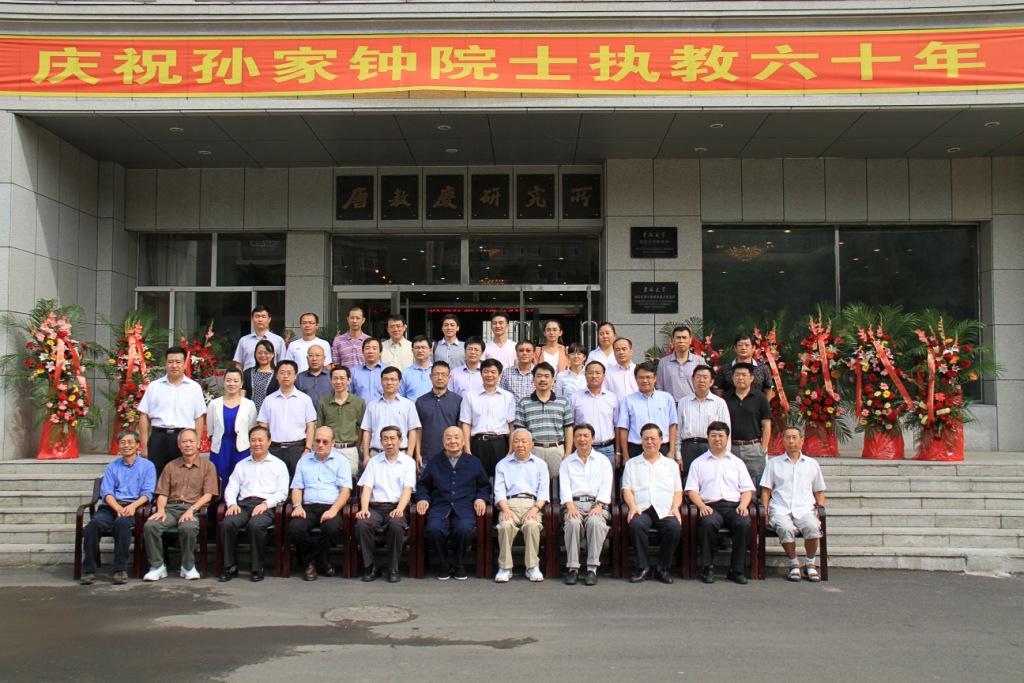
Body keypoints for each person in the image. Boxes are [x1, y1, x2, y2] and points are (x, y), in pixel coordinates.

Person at [79, 430, 156, 586]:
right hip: (110, 507)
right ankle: (88, 570)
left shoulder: (148, 466)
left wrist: (133, 506)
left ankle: (120, 569)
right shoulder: (112, 467)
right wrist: (117, 508)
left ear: (138, 445)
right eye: (122, 442)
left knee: (121, 524)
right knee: (93, 525)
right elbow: (106, 492)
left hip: (134, 507)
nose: (126, 445)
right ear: (119, 446)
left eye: (130, 442)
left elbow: (148, 493)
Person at [142, 428, 218, 582]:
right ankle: (157, 566)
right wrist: (161, 510)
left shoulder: (208, 466)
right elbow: (162, 492)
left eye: (191, 441)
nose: (188, 445)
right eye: (184, 442)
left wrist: (191, 510)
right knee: (151, 526)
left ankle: (188, 566)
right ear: (179, 445)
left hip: (193, 509)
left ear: (198, 444)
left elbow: (208, 494)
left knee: (188, 527)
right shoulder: (170, 466)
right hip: (170, 508)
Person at [685, 421, 756, 585]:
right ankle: (707, 567)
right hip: (710, 506)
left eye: (721, 436)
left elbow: (747, 489)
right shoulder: (698, 463)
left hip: (734, 506)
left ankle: (736, 570)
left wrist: (743, 505)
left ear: (727, 438)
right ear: (708, 438)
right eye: (713, 436)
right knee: (708, 523)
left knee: (744, 523)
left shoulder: (737, 462)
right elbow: (691, 490)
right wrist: (702, 506)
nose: (717, 439)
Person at [415, 426, 489, 580]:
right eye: (448, 438)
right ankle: (443, 564)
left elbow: (484, 486)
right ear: (443, 442)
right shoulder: (435, 462)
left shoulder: (473, 462)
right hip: (440, 507)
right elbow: (423, 485)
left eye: (456, 437)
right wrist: (423, 498)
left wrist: (481, 498)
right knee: (434, 529)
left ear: (463, 441)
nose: (452, 441)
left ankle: (458, 563)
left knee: (464, 529)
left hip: (464, 507)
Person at [218, 425, 290, 582]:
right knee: (227, 524)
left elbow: (282, 493)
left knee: (255, 526)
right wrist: (232, 504)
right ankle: (230, 566)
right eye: (253, 440)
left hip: (266, 506)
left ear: (269, 442)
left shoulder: (278, 465)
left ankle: (257, 567)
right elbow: (231, 488)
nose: (257, 444)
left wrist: (266, 504)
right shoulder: (242, 465)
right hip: (243, 505)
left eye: (260, 440)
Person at [760, 427, 827, 582]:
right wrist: (765, 511)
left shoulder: (812, 464)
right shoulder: (773, 463)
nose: (791, 441)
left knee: (812, 526)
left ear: (802, 440)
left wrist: (820, 509)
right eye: (788, 437)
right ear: (782, 441)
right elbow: (766, 490)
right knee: (785, 528)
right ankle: (793, 563)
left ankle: (810, 563)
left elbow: (819, 491)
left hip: (805, 508)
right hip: (780, 508)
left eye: (794, 437)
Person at [288, 426, 353, 581]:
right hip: (308, 507)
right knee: (295, 528)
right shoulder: (304, 461)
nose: (320, 445)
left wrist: (334, 510)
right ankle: (322, 561)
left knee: (331, 528)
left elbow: (345, 491)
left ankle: (310, 562)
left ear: (333, 443)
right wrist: (297, 506)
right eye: (317, 441)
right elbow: (297, 488)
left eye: (325, 442)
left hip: (331, 506)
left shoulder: (341, 461)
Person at [621, 424, 682, 584]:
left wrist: (675, 507)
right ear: (641, 441)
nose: (649, 442)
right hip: (642, 508)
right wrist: (632, 506)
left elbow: (678, 491)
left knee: (674, 527)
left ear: (661, 440)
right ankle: (644, 568)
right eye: (646, 439)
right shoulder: (632, 464)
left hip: (665, 509)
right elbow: (627, 489)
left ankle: (663, 568)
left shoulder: (671, 465)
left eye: (653, 438)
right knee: (636, 525)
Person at [355, 426, 417, 583]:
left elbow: (408, 489)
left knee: (396, 524)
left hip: (396, 506)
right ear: (381, 442)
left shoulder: (408, 462)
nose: (389, 442)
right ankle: (370, 566)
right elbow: (367, 488)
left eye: (392, 438)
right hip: (375, 507)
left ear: (400, 440)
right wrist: (364, 509)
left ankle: (393, 567)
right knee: (362, 523)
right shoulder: (374, 462)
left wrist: (399, 509)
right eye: (385, 439)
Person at [138, 346, 207, 477]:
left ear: (185, 364)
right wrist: (144, 445)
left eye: (178, 362)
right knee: (156, 477)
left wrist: (197, 444)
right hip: (158, 437)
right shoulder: (154, 386)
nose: (174, 365)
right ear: (166, 364)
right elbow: (143, 415)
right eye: (170, 362)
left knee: (182, 477)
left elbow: (199, 417)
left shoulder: (194, 388)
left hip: (183, 438)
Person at [559, 424, 613, 586]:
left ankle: (592, 568)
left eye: (586, 436)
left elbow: (606, 486)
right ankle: (573, 568)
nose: (582, 439)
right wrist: (570, 507)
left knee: (595, 522)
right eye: (578, 436)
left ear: (593, 439)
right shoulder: (567, 462)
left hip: (597, 504)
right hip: (573, 504)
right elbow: (564, 487)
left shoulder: (603, 461)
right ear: (573, 439)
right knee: (573, 523)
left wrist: (599, 506)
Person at [493, 429, 549, 584]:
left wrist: (535, 509)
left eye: (524, 441)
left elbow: (543, 491)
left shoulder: (540, 464)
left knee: (532, 525)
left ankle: (532, 567)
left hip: (532, 505)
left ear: (531, 444)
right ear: (512, 444)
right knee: (505, 525)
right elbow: (499, 491)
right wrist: (505, 509)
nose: (520, 444)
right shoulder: (502, 464)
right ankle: (505, 567)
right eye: (516, 441)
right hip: (509, 504)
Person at [257, 360, 316, 479]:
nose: (285, 376)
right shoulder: (269, 400)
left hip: (298, 449)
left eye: (289, 373)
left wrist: (307, 449)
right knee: (274, 482)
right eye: (282, 372)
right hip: (274, 449)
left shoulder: (305, 399)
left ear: (295, 376)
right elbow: (263, 426)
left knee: (298, 483)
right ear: (276, 376)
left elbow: (311, 425)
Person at [459, 358, 516, 478]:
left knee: (501, 479)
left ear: (499, 375)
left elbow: (511, 426)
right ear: (481, 374)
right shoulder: (470, 396)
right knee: (478, 480)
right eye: (486, 371)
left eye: (493, 372)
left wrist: (510, 450)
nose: (489, 375)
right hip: (478, 444)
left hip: (500, 444)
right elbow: (466, 424)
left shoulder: (508, 397)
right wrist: (467, 450)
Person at [515, 362, 573, 479]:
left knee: (558, 483)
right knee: (533, 481)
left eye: (546, 376)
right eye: (539, 376)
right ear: (533, 379)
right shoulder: (524, 402)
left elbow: (568, 428)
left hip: (556, 449)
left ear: (553, 380)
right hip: (533, 450)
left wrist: (568, 453)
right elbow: (520, 431)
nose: (543, 379)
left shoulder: (563, 402)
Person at [676, 365, 731, 480]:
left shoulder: (719, 403)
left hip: (711, 447)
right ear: (692, 380)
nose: (701, 380)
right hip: (688, 448)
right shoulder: (683, 402)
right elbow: (678, 430)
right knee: (689, 481)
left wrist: (725, 455)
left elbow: (727, 432)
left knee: (711, 480)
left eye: (705, 377)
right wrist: (678, 455)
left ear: (711, 382)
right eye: (698, 377)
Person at [360, 366, 421, 468]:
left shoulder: (408, 405)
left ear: (399, 382)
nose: (389, 382)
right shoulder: (372, 405)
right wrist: (366, 455)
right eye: (386, 379)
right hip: (376, 454)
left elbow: (413, 431)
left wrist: (409, 456)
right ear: (381, 382)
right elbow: (367, 431)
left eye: (393, 379)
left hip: (401, 455)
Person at [723, 363, 772, 489]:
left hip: (754, 448)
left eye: (744, 375)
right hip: (731, 448)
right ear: (732, 378)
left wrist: (763, 448)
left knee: (757, 486)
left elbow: (766, 425)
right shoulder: (725, 398)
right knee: (732, 484)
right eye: (737, 375)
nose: (740, 378)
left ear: (751, 378)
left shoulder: (760, 398)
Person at [616, 361, 679, 460]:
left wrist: (671, 450)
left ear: (655, 378)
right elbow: (624, 429)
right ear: (636, 379)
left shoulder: (667, 398)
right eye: (641, 377)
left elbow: (672, 425)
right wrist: (625, 455)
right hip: (636, 448)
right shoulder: (627, 400)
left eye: (648, 377)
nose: (645, 380)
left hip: (662, 448)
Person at [206, 367, 258, 485]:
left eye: (236, 381)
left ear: (241, 383)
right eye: (228, 380)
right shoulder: (214, 404)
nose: (232, 384)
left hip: (241, 448)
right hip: (220, 448)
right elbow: (210, 430)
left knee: (241, 479)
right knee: (219, 479)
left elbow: (252, 428)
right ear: (224, 382)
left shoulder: (249, 405)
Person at [316, 366, 366, 476]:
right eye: (335, 378)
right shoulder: (323, 402)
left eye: (342, 378)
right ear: (331, 380)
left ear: (349, 380)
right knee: (328, 478)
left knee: (349, 479)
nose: (338, 382)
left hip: (350, 449)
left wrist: (356, 445)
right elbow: (320, 427)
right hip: (330, 449)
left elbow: (363, 428)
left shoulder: (359, 402)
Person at [570, 360, 619, 465]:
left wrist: (618, 452)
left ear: (604, 376)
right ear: (585, 375)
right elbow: (570, 426)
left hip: (607, 449)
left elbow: (617, 426)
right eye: (590, 373)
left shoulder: (612, 398)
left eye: (598, 373)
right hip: (583, 448)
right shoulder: (575, 398)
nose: (594, 376)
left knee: (609, 476)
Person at [414, 361, 462, 464]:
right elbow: (418, 430)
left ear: (449, 377)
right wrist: (417, 453)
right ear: (430, 377)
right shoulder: (421, 401)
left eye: (443, 375)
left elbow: (461, 429)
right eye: (436, 374)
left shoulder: (458, 400)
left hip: (452, 456)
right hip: (426, 456)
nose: (440, 378)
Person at [714, 333, 774, 398]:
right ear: (735, 348)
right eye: (740, 345)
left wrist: (763, 404)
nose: (743, 348)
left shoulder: (763, 368)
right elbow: (718, 390)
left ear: (753, 348)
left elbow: (768, 390)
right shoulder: (724, 369)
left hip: (756, 404)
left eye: (747, 345)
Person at [656, 325, 702, 402]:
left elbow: (705, 386)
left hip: (693, 405)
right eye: (678, 338)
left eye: (684, 338)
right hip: (671, 406)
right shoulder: (663, 362)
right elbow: (659, 387)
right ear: (672, 340)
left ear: (690, 340)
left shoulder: (699, 361)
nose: (681, 341)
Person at [233, 305, 285, 371]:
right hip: (248, 376)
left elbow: (282, 364)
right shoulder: (244, 340)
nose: (260, 320)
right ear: (252, 319)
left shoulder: (278, 340)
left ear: (269, 319)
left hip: (271, 376)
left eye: (263, 317)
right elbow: (238, 364)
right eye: (257, 316)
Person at [242, 339, 279, 413]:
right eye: (259, 353)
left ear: (272, 354)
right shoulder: (247, 373)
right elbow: (241, 397)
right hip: (249, 415)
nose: (263, 355)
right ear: (255, 354)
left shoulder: (278, 374)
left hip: (271, 415)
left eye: (266, 353)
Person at [331, 305, 370, 370]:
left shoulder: (369, 341)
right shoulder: (338, 340)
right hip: (344, 376)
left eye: (358, 318)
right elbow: (336, 365)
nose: (354, 321)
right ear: (348, 319)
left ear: (363, 320)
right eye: (352, 318)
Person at [350, 338, 389, 402]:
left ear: (380, 352)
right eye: (367, 348)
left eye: (374, 348)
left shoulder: (388, 371)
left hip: (383, 407)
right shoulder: (354, 372)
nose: (371, 351)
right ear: (362, 352)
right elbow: (348, 393)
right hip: (361, 407)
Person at [399, 336, 434, 400]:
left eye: (423, 347)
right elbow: (401, 397)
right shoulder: (405, 373)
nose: (420, 350)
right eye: (417, 348)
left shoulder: (436, 372)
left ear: (430, 350)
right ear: (412, 351)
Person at [604, 337, 639, 401]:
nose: (621, 352)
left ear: (631, 351)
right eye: (617, 350)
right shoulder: (608, 373)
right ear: (614, 353)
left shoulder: (639, 370)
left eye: (624, 349)